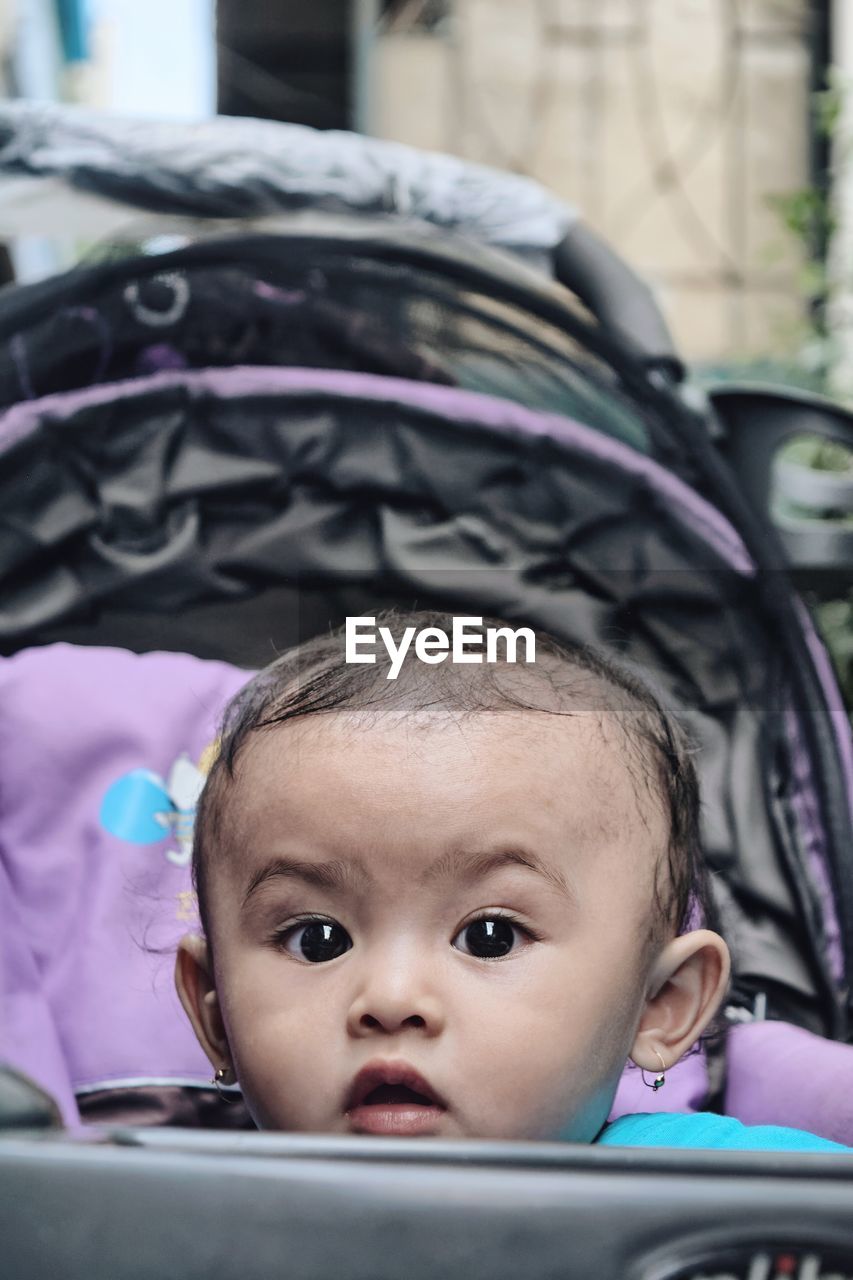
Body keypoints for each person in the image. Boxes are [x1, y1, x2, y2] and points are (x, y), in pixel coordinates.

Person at [175, 610, 850, 1152]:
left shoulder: (734, 1202)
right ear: (213, 1012)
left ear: (659, 1003)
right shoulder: (150, 1223)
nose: (389, 999)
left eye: (490, 936)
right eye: (318, 939)